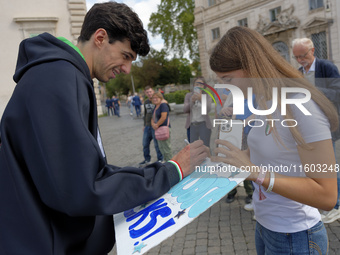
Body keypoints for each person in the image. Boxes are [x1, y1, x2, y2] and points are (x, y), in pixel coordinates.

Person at [0, 2, 209, 254]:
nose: (127, 69)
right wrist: (171, 171)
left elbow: (87, 171)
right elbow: (81, 188)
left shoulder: (66, 75)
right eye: (125, 56)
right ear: (100, 38)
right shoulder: (58, 78)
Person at [210, 26, 338, 254]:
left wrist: (254, 172)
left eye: (228, 79)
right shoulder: (265, 102)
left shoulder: (301, 104)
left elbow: (327, 195)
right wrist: (230, 160)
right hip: (265, 227)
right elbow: (262, 152)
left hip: (297, 236)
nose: (228, 89)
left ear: (250, 66)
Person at [292, 37, 340, 224]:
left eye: (303, 55)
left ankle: (335, 205)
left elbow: (338, 92)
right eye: (296, 57)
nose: (300, 60)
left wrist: (312, 91)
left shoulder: (326, 67)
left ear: (312, 51)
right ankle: (318, 198)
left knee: (329, 164)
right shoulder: (298, 72)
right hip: (308, 125)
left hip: (328, 123)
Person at [217, 89, 255, 205]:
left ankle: (250, 192)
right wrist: (225, 111)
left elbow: (259, 113)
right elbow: (229, 112)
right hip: (237, 133)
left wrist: (243, 124)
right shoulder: (239, 95)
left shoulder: (257, 95)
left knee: (248, 164)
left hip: (252, 133)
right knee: (232, 163)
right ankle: (231, 190)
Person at [183, 77, 212, 147]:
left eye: (201, 85)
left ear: (204, 86)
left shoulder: (207, 95)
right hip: (192, 125)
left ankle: (207, 158)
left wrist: (201, 99)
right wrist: (192, 102)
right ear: (193, 86)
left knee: (205, 146)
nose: (199, 86)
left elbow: (208, 109)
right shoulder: (189, 95)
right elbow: (185, 110)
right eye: (197, 84)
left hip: (204, 125)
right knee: (193, 147)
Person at [139, 86, 163, 166]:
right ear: (146, 93)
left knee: (157, 144)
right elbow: (145, 114)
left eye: (150, 91)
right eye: (147, 92)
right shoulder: (146, 102)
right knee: (145, 144)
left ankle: (160, 159)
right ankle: (147, 160)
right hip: (147, 126)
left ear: (153, 91)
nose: (149, 93)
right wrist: (144, 125)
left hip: (155, 126)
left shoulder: (157, 100)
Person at [151, 92, 173, 161]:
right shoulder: (155, 107)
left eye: (156, 97)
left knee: (167, 148)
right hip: (158, 129)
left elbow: (164, 117)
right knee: (161, 148)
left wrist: (156, 125)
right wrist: (153, 124)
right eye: (153, 98)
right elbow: (152, 118)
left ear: (160, 98)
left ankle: (171, 164)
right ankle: (166, 163)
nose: (155, 99)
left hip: (164, 129)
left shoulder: (163, 105)